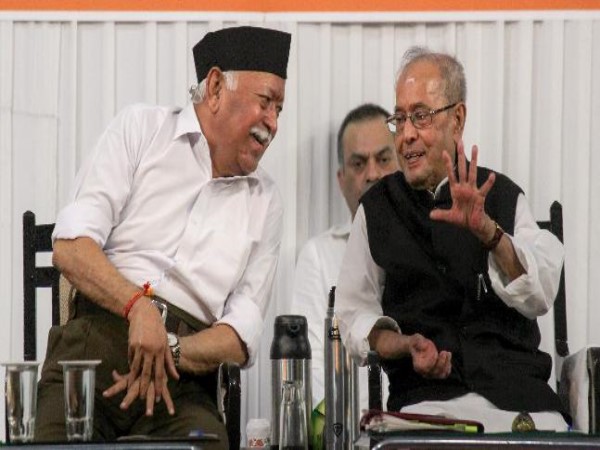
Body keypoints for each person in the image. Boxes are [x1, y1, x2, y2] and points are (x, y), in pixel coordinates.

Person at [35, 26, 291, 448]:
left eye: (279, 109)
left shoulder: (265, 200)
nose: (273, 124)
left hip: (182, 380)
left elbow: (240, 335)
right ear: (215, 87)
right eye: (265, 103)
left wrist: (169, 349)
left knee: (207, 442)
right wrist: (138, 308)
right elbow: (70, 247)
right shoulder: (142, 130)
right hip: (93, 355)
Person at [336, 46, 569, 433]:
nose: (406, 135)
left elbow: (541, 292)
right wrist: (406, 344)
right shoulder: (377, 210)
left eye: (421, 116)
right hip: (428, 409)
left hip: (521, 406)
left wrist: (490, 233)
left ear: (457, 119)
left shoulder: (502, 195)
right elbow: (353, 317)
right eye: (400, 119)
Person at [291, 103, 398, 410]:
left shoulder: (430, 244)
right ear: (341, 179)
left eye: (383, 159)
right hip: (348, 426)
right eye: (359, 163)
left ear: (403, 163)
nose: (373, 174)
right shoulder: (318, 256)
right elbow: (310, 369)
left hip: (424, 422)